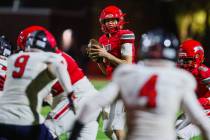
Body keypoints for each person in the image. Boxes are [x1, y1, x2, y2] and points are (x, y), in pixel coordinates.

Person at [69, 29, 210, 140]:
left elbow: (90, 106)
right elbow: (201, 122)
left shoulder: (128, 74)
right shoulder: (181, 78)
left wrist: (74, 135)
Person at [16, 25, 99, 140]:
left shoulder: (50, 59)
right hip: (82, 98)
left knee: (45, 131)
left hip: (78, 99)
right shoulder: (53, 55)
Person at [0, 29, 74, 140]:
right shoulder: (48, 58)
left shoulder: (13, 59)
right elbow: (59, 67)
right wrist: (70, 93)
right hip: (26, 120)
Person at [87, 5, 135, 140]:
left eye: (113, 20)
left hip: (127, 82)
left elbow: (128, 64)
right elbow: (106, 72)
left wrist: (106, 55)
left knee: (117, 126)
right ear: (102, 22)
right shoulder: (102, 40)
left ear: (119, 20)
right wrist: (98, 60)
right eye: (107, 21)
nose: (110, 23)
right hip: (114, 83)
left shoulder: (124, 35)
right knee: (107, 129)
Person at [176, 39, 210, 139]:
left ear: (198, 58)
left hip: (207, 112)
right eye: (181, 60)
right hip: (193, 110)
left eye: (187, 60)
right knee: (172, 132)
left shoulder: (204, 74)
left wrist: (206, 101)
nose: (183, 64)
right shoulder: (180, 72)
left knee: (182, 135)